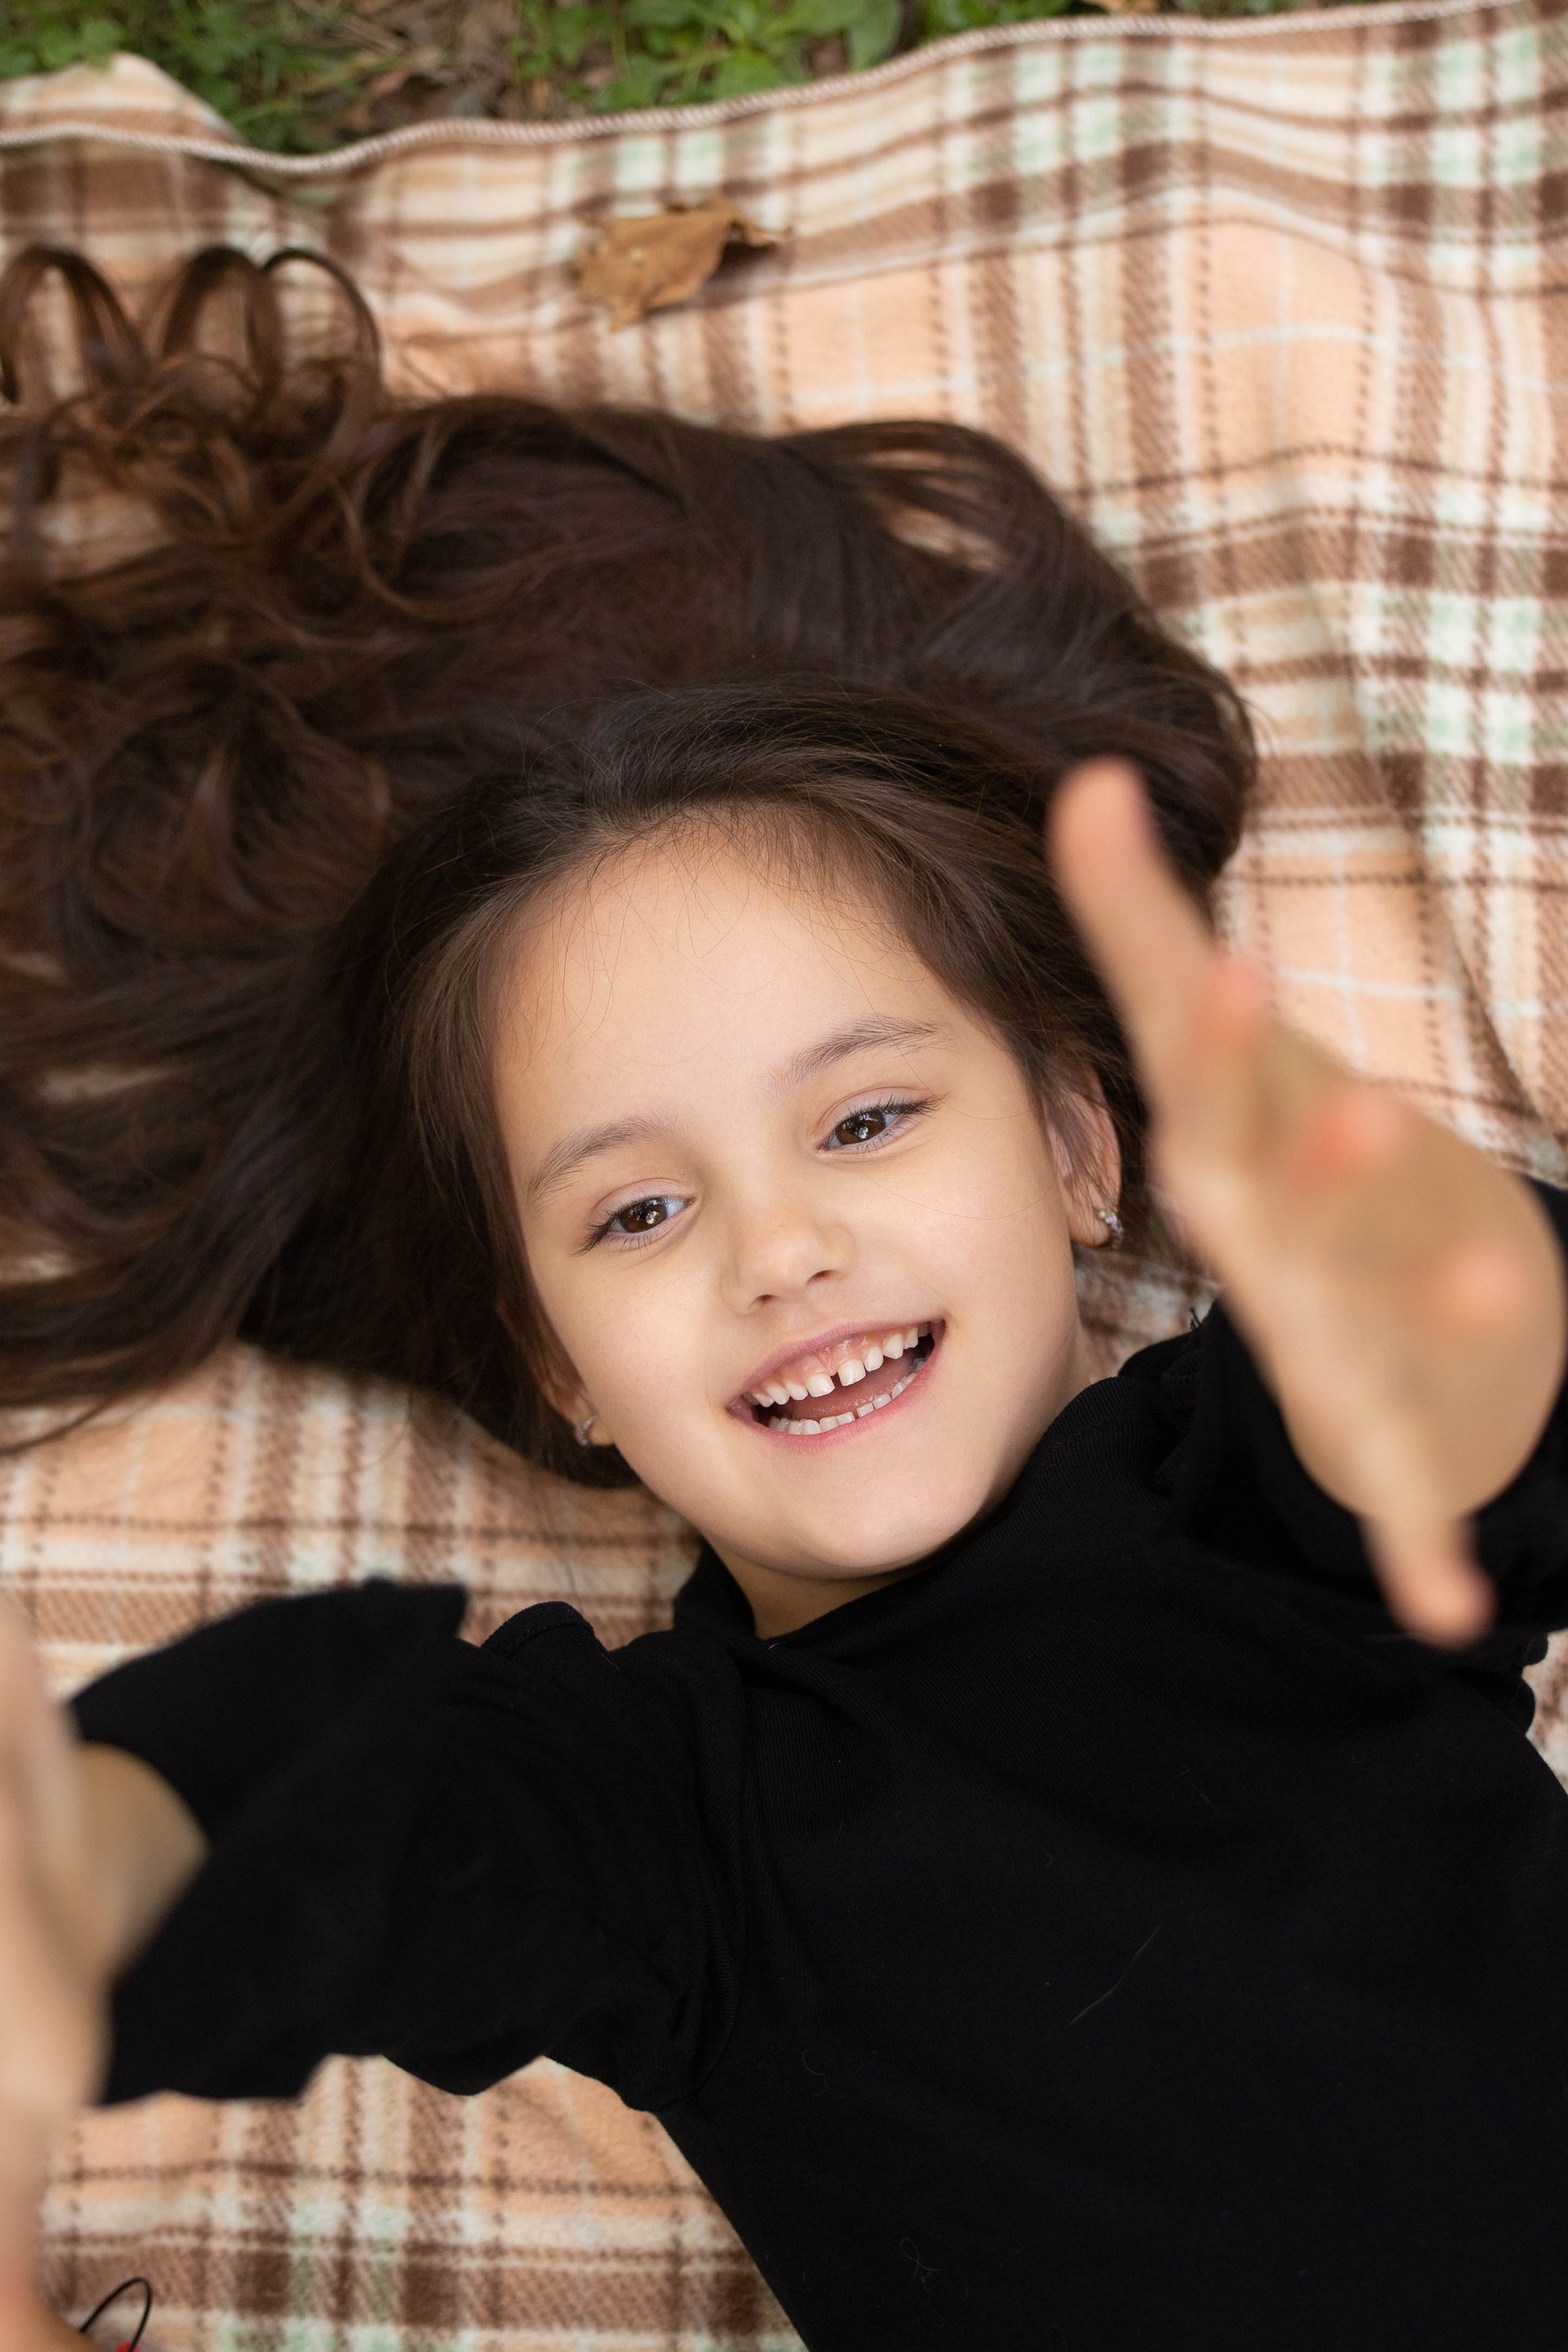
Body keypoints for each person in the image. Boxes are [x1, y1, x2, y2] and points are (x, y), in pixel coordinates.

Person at [1, 244, 1566, 2352]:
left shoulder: (1284, 1488)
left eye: (866, 1120)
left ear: (1078, 1146)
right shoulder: (662, 1825)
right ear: (556, 1365)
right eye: (639, 1212)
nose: (776, 1249)